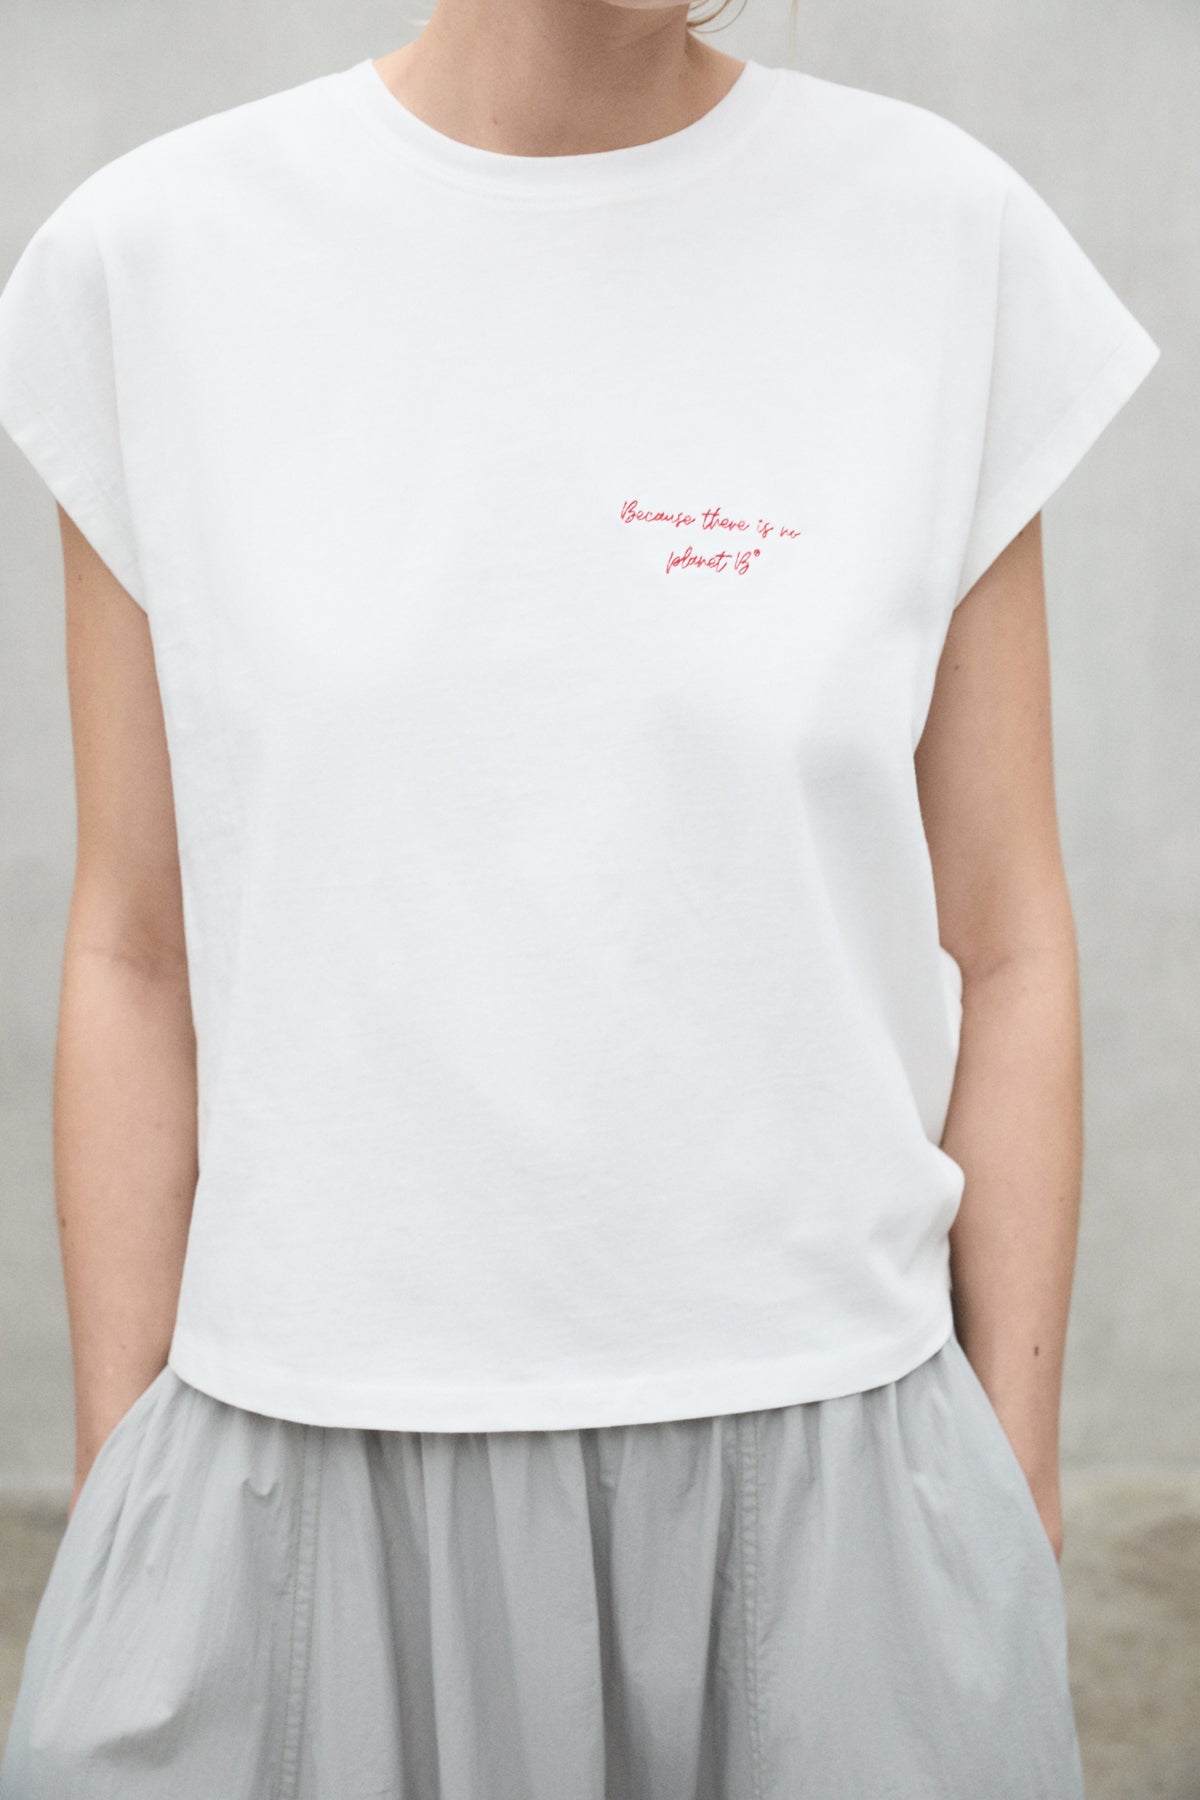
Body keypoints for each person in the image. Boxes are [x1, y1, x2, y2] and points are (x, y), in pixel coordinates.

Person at [0, 0, 1160, 1794]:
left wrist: (1007, 1487)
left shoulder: (939, 240)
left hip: (829, 1477)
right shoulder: (157, 261)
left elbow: (1004, 940)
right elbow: (133, 948)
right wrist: (128, 1485)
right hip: (305, 1467)